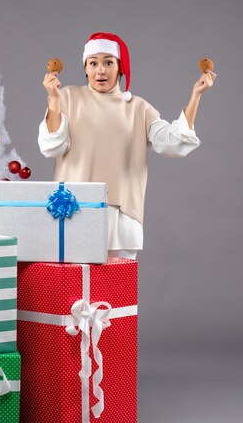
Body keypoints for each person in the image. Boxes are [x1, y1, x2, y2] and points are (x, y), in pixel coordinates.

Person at [38, 32, 216, 259]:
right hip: (74, 211)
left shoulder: (138, 108)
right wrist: (53, 99)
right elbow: (52, 146)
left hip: (121, 217)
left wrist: (196, 95)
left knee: (115, 291)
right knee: (72, 288)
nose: (100, 70)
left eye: (108, 62)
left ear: (120, 68)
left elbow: (174, 142)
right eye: (93, 63)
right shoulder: (68, 97)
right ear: (85, 68)